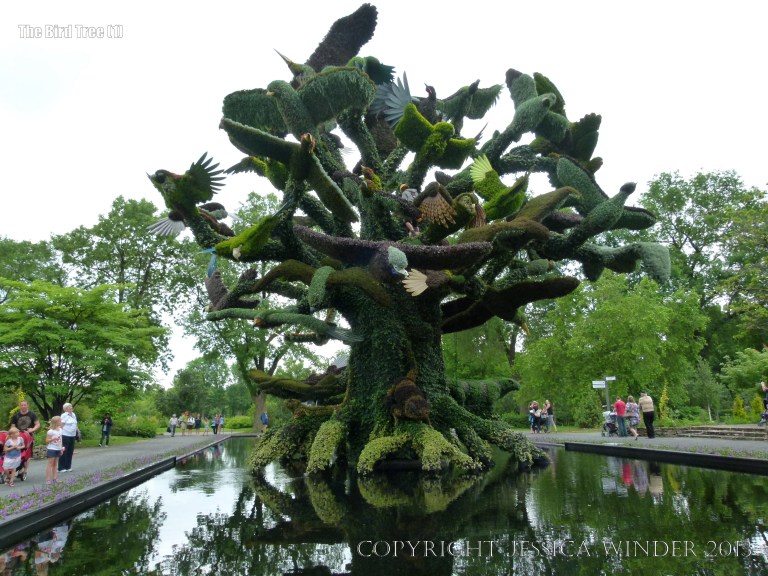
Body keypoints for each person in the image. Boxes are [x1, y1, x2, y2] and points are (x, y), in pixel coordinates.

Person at [9, 399, 41, 481]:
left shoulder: (32, 414)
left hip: (28, 436)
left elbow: (37, 424)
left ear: (27, 405)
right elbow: (12, 426)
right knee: (16, 452)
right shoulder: (16, 416)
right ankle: (14, 468)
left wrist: (32, 429)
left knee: (27, 454)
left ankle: (24, 471)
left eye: (24, 405)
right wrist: (15, 431)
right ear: (20, 406)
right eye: (21, 405)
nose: (23, 406)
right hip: (17, 436)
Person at [58, 403, 78, 473]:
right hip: (65, 434)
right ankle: (61, 467)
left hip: (72, 435)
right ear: (66, 408)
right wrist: (59, 434)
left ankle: (68, 466)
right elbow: (61, 425)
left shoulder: (73, 415)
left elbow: (75, 424)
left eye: (71, 406)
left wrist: (78, 431)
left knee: (70, 451)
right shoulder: (64, 415)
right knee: (64, 450)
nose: (71, 408)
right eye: (70, 407)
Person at [45, 416, 64, 484]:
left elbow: (61, 440)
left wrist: (61, 448)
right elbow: (47, 441)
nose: (61, 422)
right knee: (50, 464)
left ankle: (55, 478)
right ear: (56, 422)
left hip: (58, 448)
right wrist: (53, 439)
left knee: (56, 464)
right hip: (52, 448)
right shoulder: (51, 431)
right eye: (60, 421)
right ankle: (48, 479)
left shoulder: (60, 430)